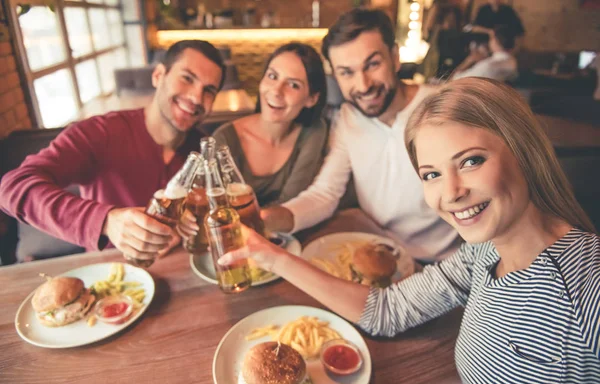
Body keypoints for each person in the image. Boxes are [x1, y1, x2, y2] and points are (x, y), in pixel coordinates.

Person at [219, 78, 600, 384]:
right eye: (431, 174)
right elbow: (387, 310)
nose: (450, 193)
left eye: (471, 161)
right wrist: (268, 255)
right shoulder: (482, 254)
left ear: (524, 151)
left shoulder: (588, 289)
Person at [262, 8, 460, 263]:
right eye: (347, 72)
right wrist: (265, 219)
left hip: (443, 264)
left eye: (373, 64)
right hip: (378, 253)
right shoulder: (348, 117)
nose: (364, 85)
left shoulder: (444, 107)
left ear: (395, 57)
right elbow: (325, 193)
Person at [0, 40, 225, 263]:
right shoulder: (101, 132)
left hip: (182, 271)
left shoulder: (204, 147)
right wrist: (107, 221)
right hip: (109, 275)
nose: (196, 97)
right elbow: (13, 187)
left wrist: (185, 224)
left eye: (209, 90)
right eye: (187, 78)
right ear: (158, 76)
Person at [212, 42, 328, 206]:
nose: (276, 91)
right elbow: (217, 210)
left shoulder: (313, 133)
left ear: (312, 99)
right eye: (272, 76)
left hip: (287, 230)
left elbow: (291, 204)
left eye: (293, 85)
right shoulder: (224, 140)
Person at [451, 25, 517, 82]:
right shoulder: (512, 62)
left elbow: (456, 80)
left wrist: (469, 61)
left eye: (491, 38)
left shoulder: (487, 65)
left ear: (495, 41)